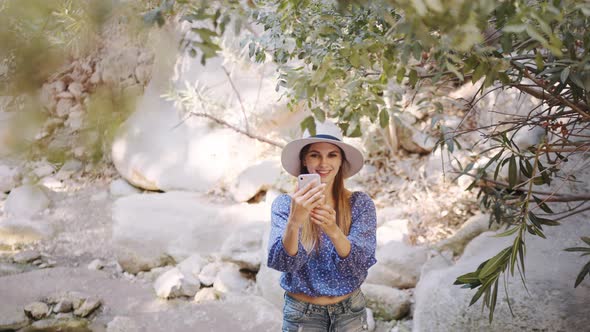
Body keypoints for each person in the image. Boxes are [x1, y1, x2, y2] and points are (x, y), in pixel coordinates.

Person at [267, 121, 377, 332]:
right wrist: (294, 222)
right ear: (304, 161)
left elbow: (361, 262)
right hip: (302, 314)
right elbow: (281, 262)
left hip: (350, 311)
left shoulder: (360, 203)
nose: (323, 163)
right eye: (315, 155)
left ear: (341, 161)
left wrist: (333, 230)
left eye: (332, 155)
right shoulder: (284, 205)